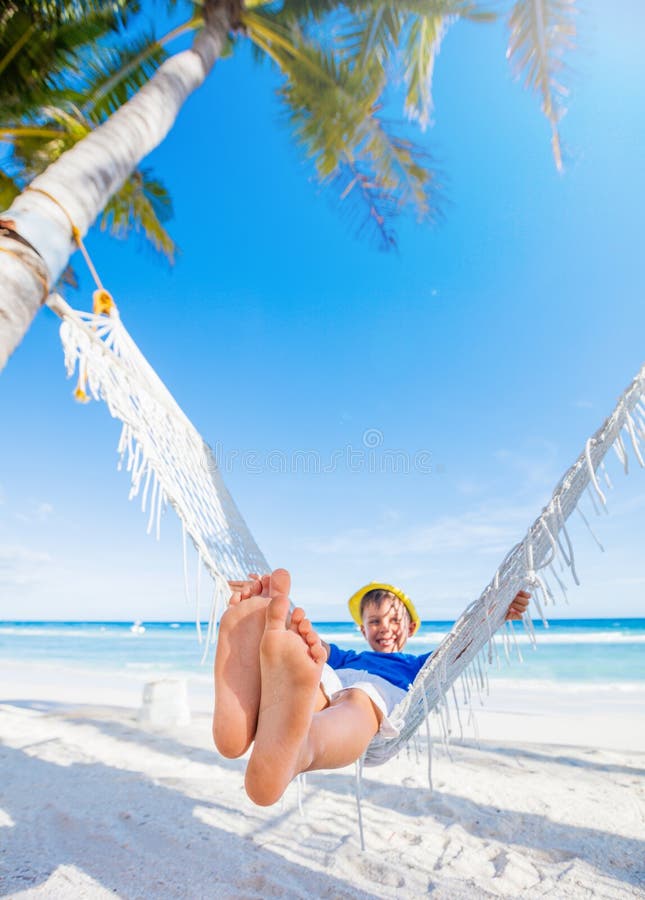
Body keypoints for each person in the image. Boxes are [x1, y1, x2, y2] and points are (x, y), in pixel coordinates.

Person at [212, 568, 530, 807]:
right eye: (375, 622)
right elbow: (309, 645)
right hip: (333, 683)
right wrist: (268, 610)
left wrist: (497, 612)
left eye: (394, 621)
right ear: (363, 629)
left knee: (357, 699)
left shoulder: (417, 665)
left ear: (411, 628)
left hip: (375, 698)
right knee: (314, 672)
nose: (385, 629)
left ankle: (299, 748)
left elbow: (458, 648)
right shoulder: (349, 657)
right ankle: (251, 722)